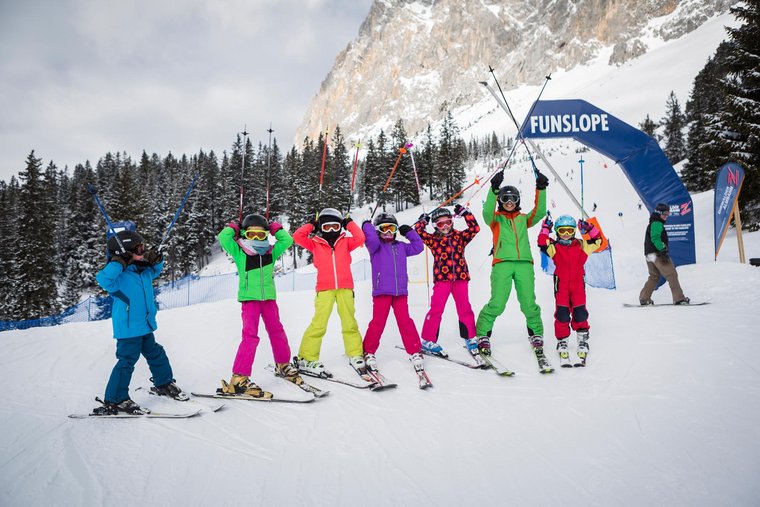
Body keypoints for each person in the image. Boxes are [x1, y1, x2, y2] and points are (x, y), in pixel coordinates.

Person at [93, 230, 187, 415]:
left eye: (144, 247)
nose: (143, 251)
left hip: (144, 325)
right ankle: (116, 398)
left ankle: (164, 383)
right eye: (139, 248)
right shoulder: (118, 277)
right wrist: (117, 263)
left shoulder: (142, 270)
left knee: (156, 353)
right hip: (128, 328)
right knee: (127, 361)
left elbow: (155, 271)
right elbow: (102, 279)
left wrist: (156, 260)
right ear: (125, 252)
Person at [216, 213, 301, 399]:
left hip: (269, 299)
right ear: (245, 235)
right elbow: (223, 237)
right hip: (250, 300)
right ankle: (239, 378)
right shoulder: (240, 252)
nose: (256, 239)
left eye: (261, 235)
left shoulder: (271, 252)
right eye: (252, 235)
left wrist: (274, 227)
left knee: (277, 331)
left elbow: (287, 240)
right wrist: (235, 227)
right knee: (250, 336)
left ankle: (283, 364)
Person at [475, 169, 548, 359]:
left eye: (513, 199)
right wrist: (493, 188)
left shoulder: (523, 219)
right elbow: (486, 212)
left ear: (517, 201)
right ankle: (483, 334)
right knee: (497, 303)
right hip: (502, 264)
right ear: (500, 201)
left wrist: (541, 188)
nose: (509, 202)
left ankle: (536, 333)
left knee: (528, 303)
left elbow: (539, 212)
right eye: (505, 199)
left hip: (524, 264)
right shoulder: (495, 220)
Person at [293, 208, 366, 377]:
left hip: (345, 288)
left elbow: (360, 237)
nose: (332, 230)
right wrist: (312, 224)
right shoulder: (315, 243)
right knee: (319, 323)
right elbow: (297, 236)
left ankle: (355, 353)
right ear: (321, 228)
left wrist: (349, 223)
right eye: (327, 227)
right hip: (324, 289)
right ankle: (307, 357)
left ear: (340, 227)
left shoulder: (346, 242)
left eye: (335, 226)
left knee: (349, 322)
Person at [413, 204, 480, 356]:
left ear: (452, 222)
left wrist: (465, 213)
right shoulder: (433, 240)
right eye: (440, 224)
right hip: (442, 280)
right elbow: (418, 232)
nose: (444, 227)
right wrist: (422, 221)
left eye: (447, 222)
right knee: (436, 309)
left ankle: (470, 337)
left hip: (461, 278)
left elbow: (475, 228)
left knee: (465, 309)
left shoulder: (460, 237)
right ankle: (428, 340)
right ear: (435, 226)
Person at [361, 213, 425, 372]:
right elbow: (372, 239)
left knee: (405, 321)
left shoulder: (402, 247)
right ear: (377, 231)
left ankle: (415, 351)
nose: (388, 232)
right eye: (384, 228)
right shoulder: (375, 247)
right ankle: (368, 351)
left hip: (400, 292)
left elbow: (418, 246)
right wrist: (366, 225)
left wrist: (408, 231)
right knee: (378, 322)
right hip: (382, 291)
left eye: (392, 228)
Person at [537, 214, 601, 364]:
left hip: (578, 285)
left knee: (580, 313)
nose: (566, 234)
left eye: (570, 231)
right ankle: (562, 341)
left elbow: (598, 241)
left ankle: (582, 339)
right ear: (557, 232)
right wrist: (545, 228)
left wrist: (589, 228)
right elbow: (541, 242)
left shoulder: (582, 245)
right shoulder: (554, 247)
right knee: (562, 314)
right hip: (562, 286)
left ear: (574, 231)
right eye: (562, 231)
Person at [639, 203, 690, 305]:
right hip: (657, 254)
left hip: (650, 255)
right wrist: (662, 249)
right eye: (664, 214)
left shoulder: (653, 223)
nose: (666, 217)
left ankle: (644, 298)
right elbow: (655, 238)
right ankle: (679, 298)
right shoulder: (657, 223)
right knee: (672, 274)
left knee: (654, 276)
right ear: (658, 213)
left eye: (668, 214)